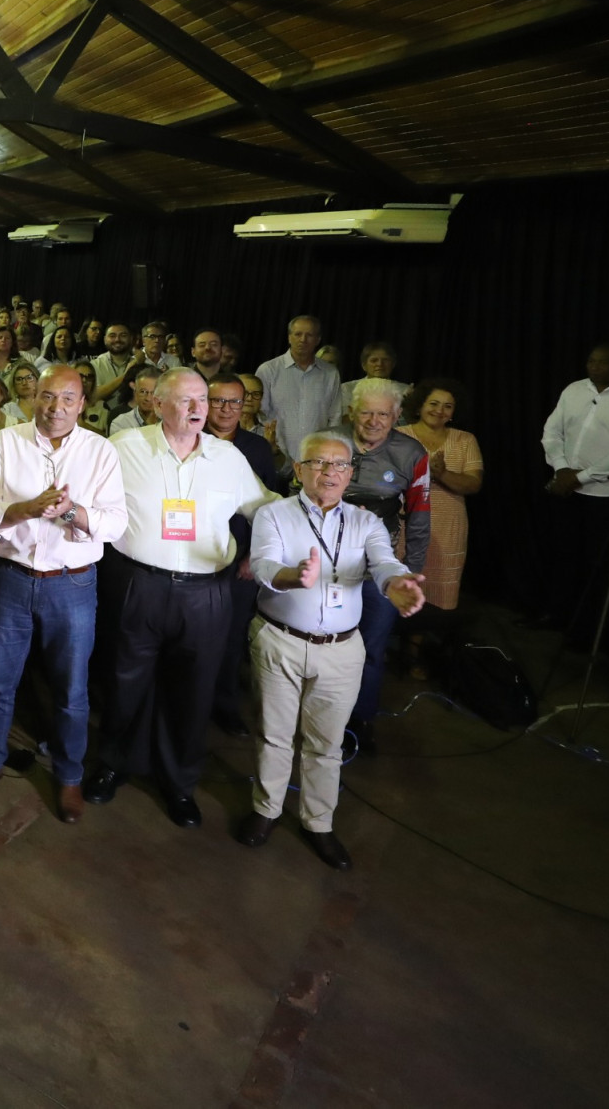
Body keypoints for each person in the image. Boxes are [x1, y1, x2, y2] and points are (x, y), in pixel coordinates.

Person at [83, 369, 279, 827]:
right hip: (139, 583)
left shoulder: (227, 457)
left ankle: (178, 783)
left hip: (206, 592)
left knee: (192, 690)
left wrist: (311, 511)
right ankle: (113, 765)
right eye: (187, 400)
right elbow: (88, 500)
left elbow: (265, 506)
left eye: (203, 401)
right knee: (125, 680)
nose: (198, 409)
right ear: (158, 405)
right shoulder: (124, 448)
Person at [242, 433, 426, 869]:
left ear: (350, 475)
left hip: (342, 651)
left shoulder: (366, 523)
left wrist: (395, 583)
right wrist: (292, 576)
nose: (329, 472)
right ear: (301, 470)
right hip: (279, 640)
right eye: (318, 463)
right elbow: (264, 564)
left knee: (327, 743)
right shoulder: (274, 514)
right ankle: (266, 810)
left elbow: (383, 561)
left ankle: (318, 822)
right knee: (274, 734)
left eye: (339, 465)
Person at [0, 365, 126, 818]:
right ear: (34, 397)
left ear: (82, 404)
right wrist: (24, 510)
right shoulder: (6, 442)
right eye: (48, 396)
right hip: (10, 579)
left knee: (71, 689)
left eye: (67, 399)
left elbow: (115, 524)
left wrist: (71, 512)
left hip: (71, 584)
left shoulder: (100, 451)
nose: (56, 407)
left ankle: (69, 775)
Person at [534, 343, 609, 636]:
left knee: (597, 565)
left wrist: (581, 477)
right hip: (565, 488)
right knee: (564, 555)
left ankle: (589, 631)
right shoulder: (575, 389)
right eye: (591, 360)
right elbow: (552, 431)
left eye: (603, 362)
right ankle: (558, 616)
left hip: (607, 496)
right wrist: (562, 469)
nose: (594, 366)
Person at [341, 378, 432, 753]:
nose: (374, 421)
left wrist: (409, 573)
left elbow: (420, 517)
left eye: (384, 414)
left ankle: (360, 722)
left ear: (397, 416)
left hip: (379, 571)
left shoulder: (412, 453)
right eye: (366, 412)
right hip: (328, 568)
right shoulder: (328, 440)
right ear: (352, 413)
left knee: (371, 649)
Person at [205, 372, 286, 736]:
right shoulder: (190, 439)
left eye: (234, 402)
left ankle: (223, 705)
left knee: (231, 635)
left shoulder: (256, 448)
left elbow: (266, 508)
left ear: (245, 405)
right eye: (217, 400)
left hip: (239, 559)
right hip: (195, 556)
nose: (225, 409)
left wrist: (252, 556)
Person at [399, 379, 483, 617]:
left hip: (447, 528)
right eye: (433, 403)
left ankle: (417, 647)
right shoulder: (397, 436)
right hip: (404, 523)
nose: (440, 410)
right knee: (398, 583)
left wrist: (442, 474)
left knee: (435, 600)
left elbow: (474, 483)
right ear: (418, 406)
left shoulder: (465, 440)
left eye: (448, 406)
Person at [255, 315, 342, 462]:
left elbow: (335, 416)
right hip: (276, 456)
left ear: (318, 340)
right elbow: (260, 414)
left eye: (309, 335)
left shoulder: (330, 373)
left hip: (315, 457)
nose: (303, 339)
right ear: (289, 337)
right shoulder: (268, 370)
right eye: (298, 334)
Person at [341, 342, 409, 422]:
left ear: (393, 364)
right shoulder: (347, 388)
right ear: (364, 366)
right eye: (374, 360)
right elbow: (344, 420)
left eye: (385, 360)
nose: (380, 364)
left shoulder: (405, 390)